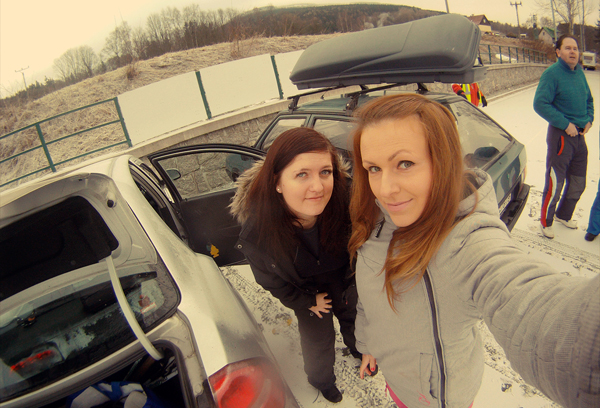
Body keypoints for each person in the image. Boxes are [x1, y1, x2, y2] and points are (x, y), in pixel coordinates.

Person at [349, 93, 600, 408]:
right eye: (373, 168)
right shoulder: (376, 220)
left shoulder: (464, 242)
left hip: (437, 399)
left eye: (405, 163)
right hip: (396, 381)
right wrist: (367, 344)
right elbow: (369, 296)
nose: (385, 189)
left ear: (443, 162)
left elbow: (535, 310)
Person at [230, 128, 363, 403]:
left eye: (325, 172)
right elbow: (271, 281)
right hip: (307, 291)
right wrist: (306, 301)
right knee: (317, 341)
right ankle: (322, 381)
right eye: (302, 174)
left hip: (343, 281)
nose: (318, 187)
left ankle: (360, 350)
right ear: (277, 182)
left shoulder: (347, 203)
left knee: (355, 320)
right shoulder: (259, 232)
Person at [533, 34, 594, 239]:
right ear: (558, 52)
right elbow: (540, 104)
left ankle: (563, 215)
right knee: (555, 182)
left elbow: (589, 100)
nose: (573, 52)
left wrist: (589, 119)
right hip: (561, 136)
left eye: (575, 48)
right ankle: (546, 221)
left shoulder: (579, 73)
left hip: (579, 136)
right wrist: (565, 124)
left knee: (578, 182)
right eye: (568, 48)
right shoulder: (552, 74)